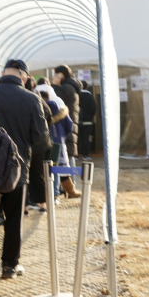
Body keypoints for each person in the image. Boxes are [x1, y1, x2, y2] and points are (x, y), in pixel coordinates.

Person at [0, 59, 49, 279]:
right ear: (25, 76)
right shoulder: (31, 99)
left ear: (3, 73)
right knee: (13, 219)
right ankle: (10, 265)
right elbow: (40, 138)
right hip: (16, 168)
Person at [51, 65, 82, 198]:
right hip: (70, 124)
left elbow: (54, 98)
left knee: (65, 156)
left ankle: (68, 188)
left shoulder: (66, 88)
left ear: (61, 75)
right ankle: (71, 188)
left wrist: (54, 84)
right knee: (69, 154)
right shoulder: (72, 86)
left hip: (64, 125)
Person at [39, 90, 74, 202]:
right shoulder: (59, 109)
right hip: (59, 142)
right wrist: (62, 135)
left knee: (44, 169)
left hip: (44, 143)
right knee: (56, 168)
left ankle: (45, 194)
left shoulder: (39, 108)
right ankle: (55, 194)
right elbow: (69, 126)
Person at [25, 77, 52, 215]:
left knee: (23, 175)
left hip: (25, 142)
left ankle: (24, 208)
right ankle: (43, 205)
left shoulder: (22, 98)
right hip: (40, 143)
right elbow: (49, 115)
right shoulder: (39, 99)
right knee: (37, 174)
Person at [79, 81, 97, 160]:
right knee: (86, 138)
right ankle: (85, 155)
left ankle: (75, 155)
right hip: (88, 121)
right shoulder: (89, 96)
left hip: (77, 121)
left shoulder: (76, 95)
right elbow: (94, 108)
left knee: (77, 138)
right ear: (87, 87)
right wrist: (90, 116)